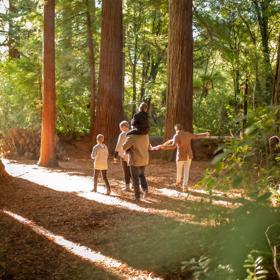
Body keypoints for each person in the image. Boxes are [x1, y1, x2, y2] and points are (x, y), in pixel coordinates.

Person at [156, 124, 210, 192]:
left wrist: (164, 147)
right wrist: (205, 134)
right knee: (186, 170)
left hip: (180, 155)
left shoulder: (176, 135)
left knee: (179, 170)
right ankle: (185, 186)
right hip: (189, 155)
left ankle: (178, 183)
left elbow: (173, 146)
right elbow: (196, 136)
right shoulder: (187, 134)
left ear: (176, 129)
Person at [122, 133, 150, 202]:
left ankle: (137, 196)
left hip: (135, 160)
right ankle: (145, 190)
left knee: (135, 178)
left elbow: (124, 147)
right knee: (141, 175)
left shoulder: (132, 136)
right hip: (144, 159)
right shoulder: (146, 135)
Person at [114, 120, 132, 191]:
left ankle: (127, 187)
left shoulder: (122, 134)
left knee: (126, 171)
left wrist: (115, 155)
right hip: (131, 155)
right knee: (132, 170)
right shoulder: (132, 133)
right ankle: (134, 185)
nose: (120, 129)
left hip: (124, 155)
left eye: (120, 127)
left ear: (124, 127)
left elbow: (118, 145)